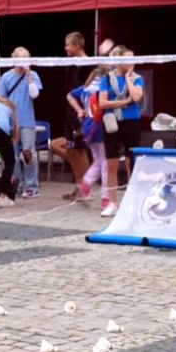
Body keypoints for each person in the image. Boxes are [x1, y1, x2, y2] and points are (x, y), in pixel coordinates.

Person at [99, 45, 145, 218]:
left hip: (132, 122)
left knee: (131, 161)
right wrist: (121, 103)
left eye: (133, 58)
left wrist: (128, 80)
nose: (131, 62)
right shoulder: (106, 78)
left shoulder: (137, 78)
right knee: (111, 163)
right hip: (111, 123)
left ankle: (132, 201)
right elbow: (102, 103)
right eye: (127, 59)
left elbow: (136, 97)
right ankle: (112, 202)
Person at [52, 33, 94, 199]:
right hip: (71, 111)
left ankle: (86, 190)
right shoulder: (70, 64)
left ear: (77, 46)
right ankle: (79, 187)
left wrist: (82, 113)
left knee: (80, 150)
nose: (66, 48)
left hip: (82, 113)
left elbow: (87, 91)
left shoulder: (88, 65)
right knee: (70, 148)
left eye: (68, 45)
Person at [0, 47, 42, 199]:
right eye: (20, 59)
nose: (23, 63)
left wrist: (29, 77)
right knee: (12, 155)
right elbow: (2, 100)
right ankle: (15, 183)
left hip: (27, 120)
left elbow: (34, 94)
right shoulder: (6, 77)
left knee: (28, 153)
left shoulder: (33, 75)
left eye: (26, 59)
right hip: (11, 122)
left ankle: (32, 186)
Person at [68, 67, 109, 204]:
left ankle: (86, 182)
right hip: (101, 126)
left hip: (88, 127)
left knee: (98, 159)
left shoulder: (85, 88)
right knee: (106, 163)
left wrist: (79, 109)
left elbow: (69, 95)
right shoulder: (104, 87)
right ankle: (106, 198)